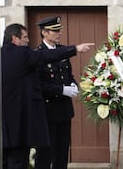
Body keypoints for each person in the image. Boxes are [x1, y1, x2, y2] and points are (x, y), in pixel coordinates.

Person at [1, 23, 94, 169]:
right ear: (14, 38)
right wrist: (75, 48)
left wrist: (71, 86)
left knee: (59, 153)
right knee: (32, 158)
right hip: (33, 115)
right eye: (25, 37)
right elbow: (45, 57)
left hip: (7, 120)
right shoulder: (24, 54)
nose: (27, 41)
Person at [34, 16, 81, 169]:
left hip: (64, 110)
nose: (59, 33)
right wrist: (61, 90)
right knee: (45, 153)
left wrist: (73, 85)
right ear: (44, 33)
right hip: (47, 111)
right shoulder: (38, 54)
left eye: (59, 30)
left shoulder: (63, 51)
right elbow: (39, 84)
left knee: (62, 153)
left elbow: (68, 75)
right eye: (55, 31)